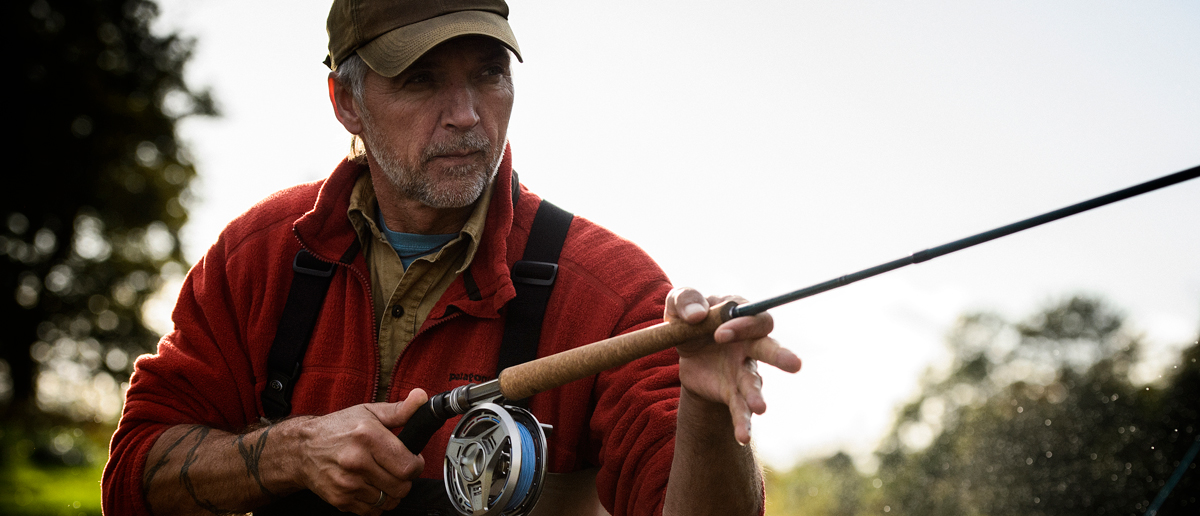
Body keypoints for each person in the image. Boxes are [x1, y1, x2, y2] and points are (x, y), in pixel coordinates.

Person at [102, 1, 801, 515]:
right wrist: (292, 452)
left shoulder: (612, 292)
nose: (467, 114)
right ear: (346, 101)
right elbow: (132, 476)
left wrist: (709, 414)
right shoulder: (256, 259)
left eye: (489, 73)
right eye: (422, 79)